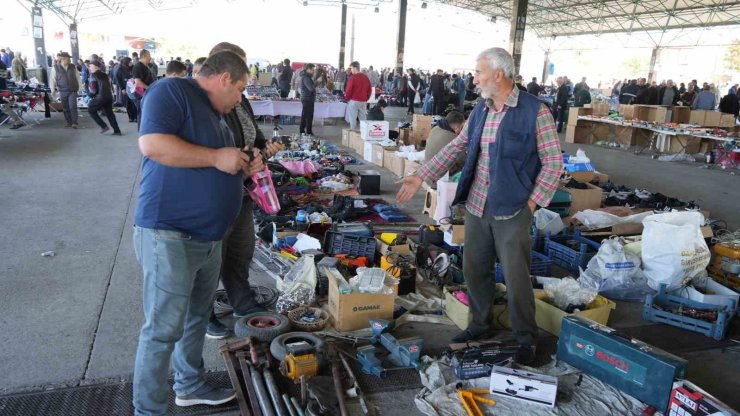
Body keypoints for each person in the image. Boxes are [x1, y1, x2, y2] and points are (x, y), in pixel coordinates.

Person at [396, 47, 563, 365]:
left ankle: (526, 337)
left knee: (516, 276)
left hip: (513, 209)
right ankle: (479, 324)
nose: (474, 79)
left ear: (498, 75)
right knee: (475, 270)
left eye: (479, 72)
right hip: (476, 205)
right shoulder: (480, 111)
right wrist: (420, 176)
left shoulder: (535, 112)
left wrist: (531, 204)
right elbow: (457, 147)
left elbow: (554, 164)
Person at [132, 50, 263, 415]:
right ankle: (149, 409)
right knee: (162, 331)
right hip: (169, 234)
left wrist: (242, 164)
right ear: (223, 79)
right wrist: (217, 157)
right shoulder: (170, 91)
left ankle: (188, 384)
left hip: (208, 239)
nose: (240, 98)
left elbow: (219, 160)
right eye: (239, 89)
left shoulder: (218, 115)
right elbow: (152, 145)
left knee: (194, 319)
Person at [204, 42, 283, 339]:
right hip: (217, 193)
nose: (243, 85)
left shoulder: (241, 100)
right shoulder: (207, 104)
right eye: (239, 78)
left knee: (240, 250)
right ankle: (204, 313)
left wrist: (265, 150)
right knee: (212, 257)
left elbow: (255, 136)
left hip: (243, 189)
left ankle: (242, 301)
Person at [424, 111, 466, 179]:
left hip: (426, 172)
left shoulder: (435, 128)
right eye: (461, 127)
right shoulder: (454, 138)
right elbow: (463, 160)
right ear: (457, 127)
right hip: (438, 180)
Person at [87, 60, 121, 136]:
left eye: (90, 66)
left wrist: (90, 95)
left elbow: (93, 90)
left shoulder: (93, 75)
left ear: (95, 67)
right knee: (110, 114)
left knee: (91, 110)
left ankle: (103, 126)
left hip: (100, 97)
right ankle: (117, 130)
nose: (89, 68)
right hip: (109, 96)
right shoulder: (105, 75)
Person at [51, 52, 81, 128]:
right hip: (62, 90)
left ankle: (74, 122)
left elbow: (78, 78)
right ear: (62, 59)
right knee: (65, 108)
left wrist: (80, 88)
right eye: (68, 59)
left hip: (72, 90)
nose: (70, 61)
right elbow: (52, 80)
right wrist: (52, 90)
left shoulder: (73, 67)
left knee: (73, 106)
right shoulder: (55, 68)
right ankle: (69, 122)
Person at [344, 61, 371, 129]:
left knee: (352, 118)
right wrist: (366, 98)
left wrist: (347, 98)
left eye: (351, 68)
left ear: (355, 68)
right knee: (363, 119)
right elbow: (369, 90)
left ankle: (353, 135)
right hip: (363, 101)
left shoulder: (352, 78)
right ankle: (364, 134)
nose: (351, 70)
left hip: (353, 101)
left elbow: (348, 90)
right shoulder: (366, 78)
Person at [132, 49, 155, 127]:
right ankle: (141, 132)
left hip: (146, 93)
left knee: (146, 113)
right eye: (149, 56)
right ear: (144, 56)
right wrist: (148, 88)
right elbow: (138, 82)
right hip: (140, 94)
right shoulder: (138, 66)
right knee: (141, 114)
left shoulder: (146, 66)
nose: (150, 58)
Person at [116, 57, 137, 123]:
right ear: (126, 63)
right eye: (130, 62)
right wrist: (122, 88)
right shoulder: (121, 69)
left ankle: (136, 117)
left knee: (134, 103)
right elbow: (118, 79)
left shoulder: (134, 68)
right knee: (127, 103)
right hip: (125, 88)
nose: (131, 63)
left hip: (134, 88)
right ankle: (130, 117)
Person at [299, 63, 316, 136]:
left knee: (306, 115)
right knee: (308, 116)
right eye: (312, 70)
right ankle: (307, 131)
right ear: (308, 69)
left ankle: (303, 131)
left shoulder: (306, 77)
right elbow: (311, 88)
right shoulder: (306, 77)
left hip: (307, 98)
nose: (313, 71)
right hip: (307, 99)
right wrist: (317, 81)